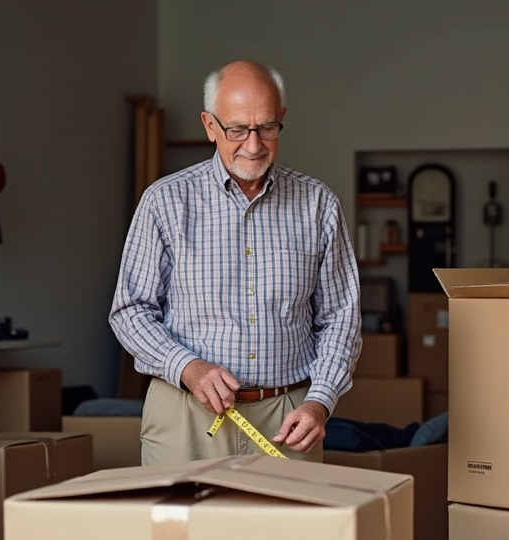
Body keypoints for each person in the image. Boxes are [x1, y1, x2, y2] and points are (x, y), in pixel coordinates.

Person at [108, 60, 362, 465]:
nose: (254, 143)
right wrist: (187, 367)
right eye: (237, 129)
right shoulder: (165, 202)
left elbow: (340, 317)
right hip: (186, 413)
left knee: (289, 531)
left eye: (266, 127)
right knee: (182, 530)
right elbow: (129, 311)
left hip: (288, 416)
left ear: (282, 120)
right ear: (209, 126)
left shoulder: (318, 205)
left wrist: (320, 402)